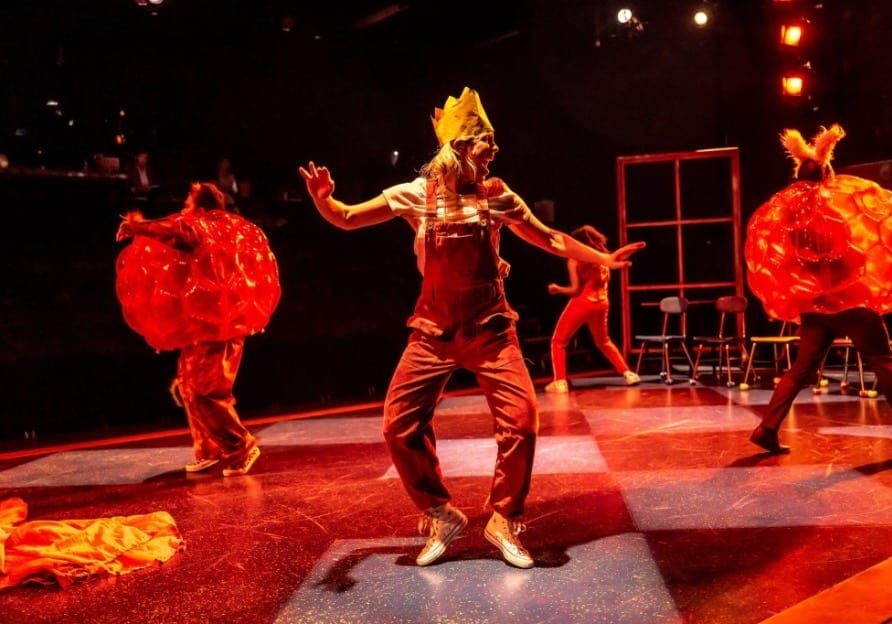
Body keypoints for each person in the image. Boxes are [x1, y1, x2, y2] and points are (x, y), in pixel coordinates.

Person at [298, 87, 645, 569]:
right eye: (486, 140)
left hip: (490, 329)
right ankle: (440, 514)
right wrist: (324, 199)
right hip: (433, 329)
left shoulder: (498, 195)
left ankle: (503, 519)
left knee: (522, 422)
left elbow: (550, 238)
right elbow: (348, 218)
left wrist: (602, 258)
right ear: (460, 146)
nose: (495, 149)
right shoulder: (418, 194)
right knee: (399, 426)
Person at [746, 124, 892, 458]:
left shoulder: (790, 218)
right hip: (851, 305)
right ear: (828, 173)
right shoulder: (835, 211)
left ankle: (766, 428)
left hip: (815, 306)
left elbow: (788, 264)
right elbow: (856, 254)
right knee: (883, 362)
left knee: (799, 370)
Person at [116, 182, 281, 476]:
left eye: (189, 202)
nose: (184, 207)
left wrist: (138, 226)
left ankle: (240, 446)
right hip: (201, 326)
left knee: (207, 392)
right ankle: (210, 450)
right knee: (190, 390)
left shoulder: (204, 227)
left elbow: (178, 232)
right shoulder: (224, 229)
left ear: (202, 207)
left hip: (218, 327)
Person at [545, 224, 643, 393]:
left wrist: (558, 289)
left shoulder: (575, 259)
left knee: (558, 341)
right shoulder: (604, 257)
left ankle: (560, 381)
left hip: (583, 302)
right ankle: (628, 373)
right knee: (604, 342)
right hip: (602, 302)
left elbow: (575, 290)